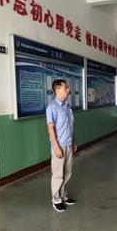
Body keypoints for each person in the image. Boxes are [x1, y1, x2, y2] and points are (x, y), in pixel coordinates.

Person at [46, 79, 77, 212]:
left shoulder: (67, 106)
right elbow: (50, 128)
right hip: (59, 146)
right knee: (58, 174)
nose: (68, 90)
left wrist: (74, 141)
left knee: (67, 172)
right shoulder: (52, 107)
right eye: (66, 88)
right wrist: (56, 147)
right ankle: (56, 199)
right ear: (57, 90)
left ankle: (63, 196)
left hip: (68, 144)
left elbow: (71, 126)